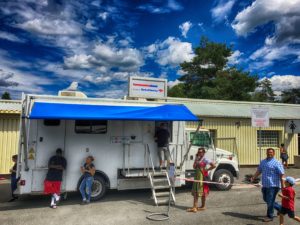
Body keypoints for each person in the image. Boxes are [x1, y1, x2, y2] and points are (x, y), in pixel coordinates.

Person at [251, 148, 285, 222]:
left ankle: (270, 216)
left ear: (274, 153)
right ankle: (281, 209)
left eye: (271, 152)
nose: (270, 153)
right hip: (265, 185)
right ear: (266, 153)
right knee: (266, 199)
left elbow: (281, 174)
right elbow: (259, 170)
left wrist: (283, 186)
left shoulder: (277, 162)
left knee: (270, 200)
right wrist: (253, 177)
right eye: (268, 152)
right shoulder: (263, 162)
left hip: (273, 185)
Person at [187, 147, 216, 213]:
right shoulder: (197, 158)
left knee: (198, 192)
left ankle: (195, 207)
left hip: (202, 176)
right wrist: (196, 160)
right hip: (197, 176)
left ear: (203, 153)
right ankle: (202, 206)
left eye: (200, 152)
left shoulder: (205, 159)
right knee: (199, 191)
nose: (199, 153)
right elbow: (194, 167)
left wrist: (207, 169)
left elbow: (214, 165)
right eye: (198, 152)